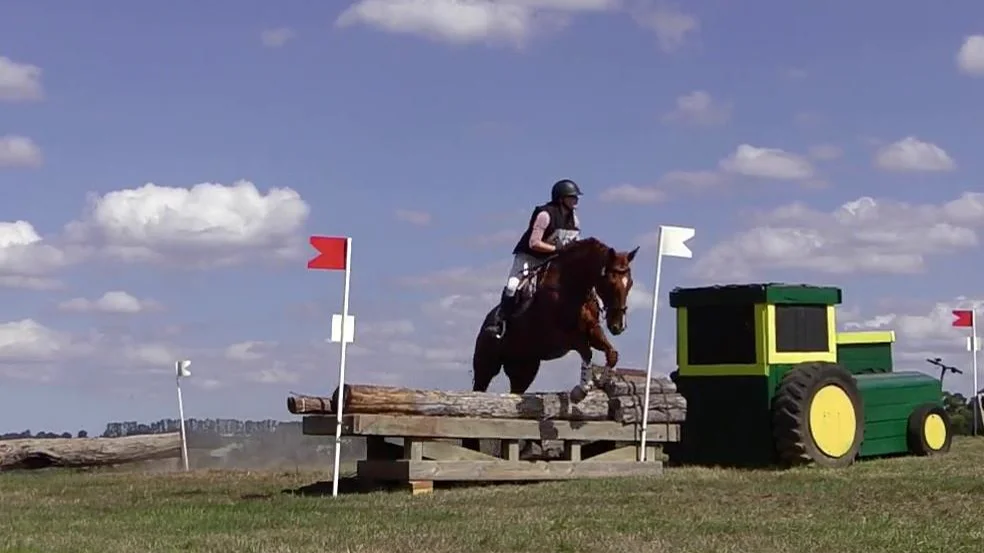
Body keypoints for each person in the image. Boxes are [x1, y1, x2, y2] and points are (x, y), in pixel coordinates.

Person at [485, 179, 583, 338]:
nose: (576, 200)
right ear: (561, 199)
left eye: (575, 197)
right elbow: (534, 243)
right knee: (512, 286)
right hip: (529, 257)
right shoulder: (545, 215)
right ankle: (500, 322)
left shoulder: (574, 219)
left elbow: (575, 242)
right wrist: (557, 249)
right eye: (572, 197)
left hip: (552, 259)